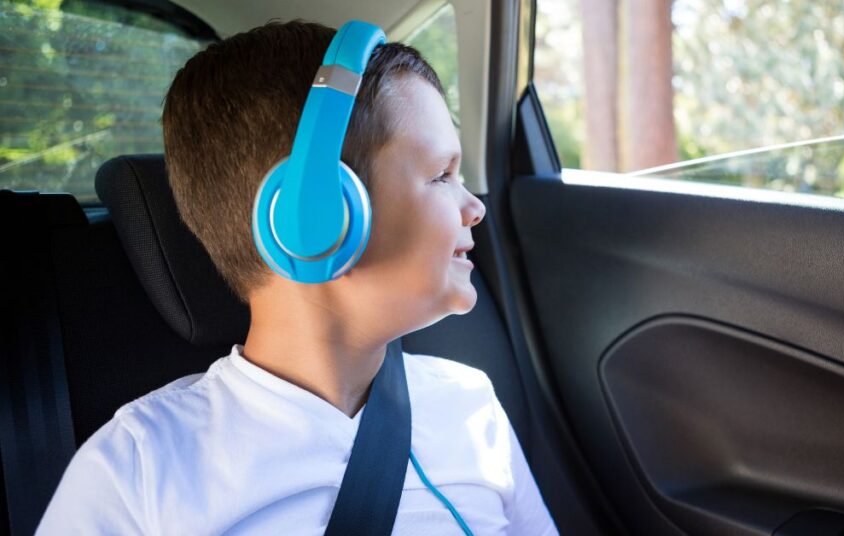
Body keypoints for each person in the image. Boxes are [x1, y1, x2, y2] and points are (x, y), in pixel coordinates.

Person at [37, 20, 558, 535]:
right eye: (443, 175)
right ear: (319, 218)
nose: (474, 207)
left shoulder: (470, 407)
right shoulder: (139, 470)